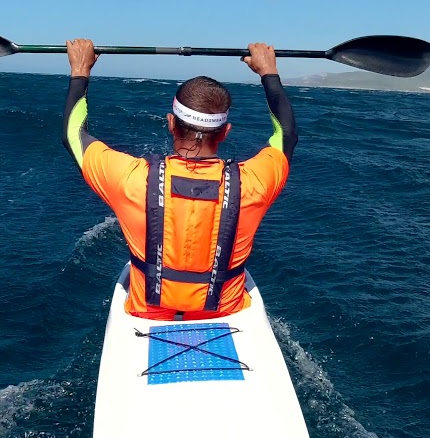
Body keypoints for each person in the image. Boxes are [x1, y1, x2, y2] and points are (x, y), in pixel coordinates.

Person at [62, 39, 298, 320]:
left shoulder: (131, 178)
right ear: (225, 132)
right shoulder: (254, 182)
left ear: (171, 123)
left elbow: (73, 134)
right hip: (225, 315)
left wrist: (80, 69)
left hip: (147, 316)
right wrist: (268, 72)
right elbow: (287, 135)